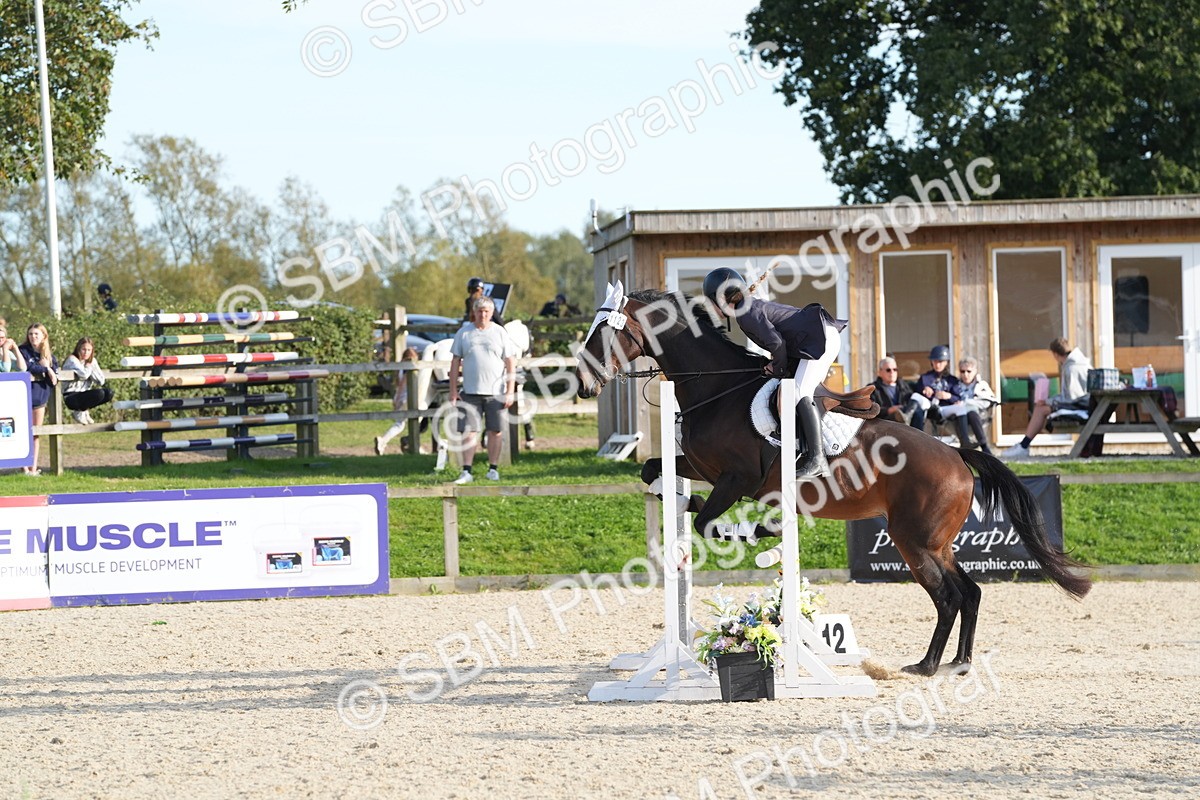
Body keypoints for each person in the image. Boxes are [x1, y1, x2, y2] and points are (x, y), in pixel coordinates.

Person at [702, 267, 845, 478]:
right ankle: (803, 449)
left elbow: (777, 344)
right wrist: (777, 367)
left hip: (820, 338)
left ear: (722, 298)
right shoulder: (746, 309)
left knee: (798, 393)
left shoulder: (746, 313)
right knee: (788, 392)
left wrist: (777, 369)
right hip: (814, 338)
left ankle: (817, 459)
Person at [448, 296, 518, 484]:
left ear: (492, 313)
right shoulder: (464, 333)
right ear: (474, 312)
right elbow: (455, 362)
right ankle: (466, 471)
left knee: (495, 430)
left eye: (487, 311)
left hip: (496, 392)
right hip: (470, 392)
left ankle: (493, 469)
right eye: (479, 311)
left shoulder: (500, 333)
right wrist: (453, 390)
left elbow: (510, 362)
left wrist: (510, 390)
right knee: (469, 431)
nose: (483, 315)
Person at [1003, 337, 1092, 459]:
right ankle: (1024, 445)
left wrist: (1048, 401)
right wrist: (1049, 401)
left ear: (1055, 354)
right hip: (1083, 404)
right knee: (1042, 407)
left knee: (1040, 409)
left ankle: (1024, 446)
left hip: (1079, 406)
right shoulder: (1079, 363)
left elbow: (1072, 398)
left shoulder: (1071, 368)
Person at [19, 323, 58, 476]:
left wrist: (49, 369)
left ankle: (33, 468)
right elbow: (28, 367)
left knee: (36, 433)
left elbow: (54, 379)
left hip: (40, 398)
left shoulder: (48, 355)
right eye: (30, 334)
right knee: (23, 432)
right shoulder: (23, 351)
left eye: (36, 334)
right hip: (23, 398)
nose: (33, 337)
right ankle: (24, 468)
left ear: (43, 336)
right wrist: (46, 369)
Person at [939, 356, 997, 454]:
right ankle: (980, 445)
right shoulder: (954, 385)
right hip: (956, 418)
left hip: (978, 416)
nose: (965, 374)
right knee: (963, 411)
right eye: (962, 371)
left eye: (969, 371)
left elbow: (988, 401)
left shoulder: (981, 385)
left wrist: (967, 403)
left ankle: (982, 444)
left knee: (971, 412)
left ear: (975, 371)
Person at [374, 347, 422, 455]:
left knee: (404, 423)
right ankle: (383, 440)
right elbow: (402, 385)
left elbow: (397, 384)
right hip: (406, 397)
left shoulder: (400, 368)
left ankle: (384, 442)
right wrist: (398, 399)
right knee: (401, 424)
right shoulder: (408, 368)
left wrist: (396, 398)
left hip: (400, 397)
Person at [61, 337, 113, 424]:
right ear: (78, 349)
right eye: (84, 349)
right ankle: (79, 411)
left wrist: (91, 369)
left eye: (89, 350)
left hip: (84, 394)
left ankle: (84, 410)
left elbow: (101, 381)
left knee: (109, 393)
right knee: (99, 393)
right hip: (71, 396)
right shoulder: (72, 360)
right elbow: (84, 375)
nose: (86, 353)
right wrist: (89, 367)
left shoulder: (92, 361)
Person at [909, 345, 960, 430]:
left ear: (946, 362)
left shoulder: (952, 380)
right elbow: (917, 393)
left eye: (940, 361)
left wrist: (948, 396)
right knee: (917, 406)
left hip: (943, 410)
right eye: (935, 361)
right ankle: (907, 419)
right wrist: (924, 390)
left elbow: (958, 398)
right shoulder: (925, 377)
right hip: (928, 408)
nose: (937, 364)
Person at [869, 356, 923, 428]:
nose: (892, 372)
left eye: (895, 369)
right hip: (885, 424)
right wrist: (889, 410)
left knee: (917, 407)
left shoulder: (904, 386)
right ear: (880, 372)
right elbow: (869, 408)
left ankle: (917, 432)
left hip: (907, 424)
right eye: (888, 370)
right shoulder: (872, 388)